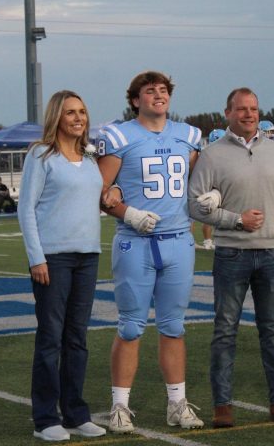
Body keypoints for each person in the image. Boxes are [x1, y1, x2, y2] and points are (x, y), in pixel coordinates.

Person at [188, 87, 274, 429]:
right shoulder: (211, 155)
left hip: (272, 254)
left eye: (253, 108)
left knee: (272, 331)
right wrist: (235, 220)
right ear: (227, 113)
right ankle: (222, 406)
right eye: (241, 109)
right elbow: (194, 204)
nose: (248, 114)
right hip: (230, 253)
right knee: (225, 331)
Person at [96, 71, 204, 434]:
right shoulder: (119, 136)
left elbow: (198, 183)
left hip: (178, 240)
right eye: (149, 90)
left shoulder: (188, 136)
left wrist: (210, 196)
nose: (158, 95)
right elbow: (99, 190)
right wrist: (128, 212)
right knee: (130, 327)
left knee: (173, 326)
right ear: (135, 100)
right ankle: (120, 407)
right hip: (134, 241)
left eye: (163, 90)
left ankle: (176, 403)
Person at [17, 90, 107, 441]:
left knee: (77, 339)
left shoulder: (88, 157)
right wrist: (36, 257)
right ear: (57, 116)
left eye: (82, 112)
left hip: (88, 255)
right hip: (53, 257)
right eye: (71, 112)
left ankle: (75, 413)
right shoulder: (41, 155)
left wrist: (111, 195)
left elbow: (92, 198)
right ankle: (45, 419)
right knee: (50, 338)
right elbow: (26, 209)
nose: (78, 118)